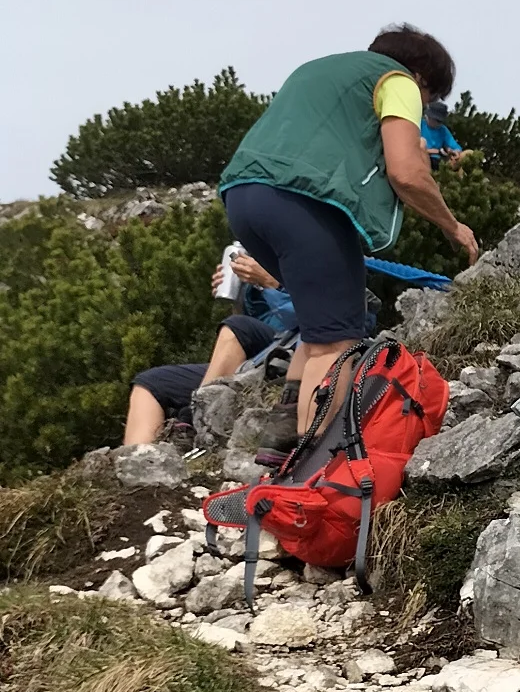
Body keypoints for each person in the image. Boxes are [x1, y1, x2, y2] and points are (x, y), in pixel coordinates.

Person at [218, 25, 479, 438]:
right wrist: (453, 226)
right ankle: (312, 465)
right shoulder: (397, 80)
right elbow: (407, 172)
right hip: (305, 202)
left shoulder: (316, 71)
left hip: (242, 197)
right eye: (430, 98)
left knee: (321, 316)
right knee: (336, 343)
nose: (425, 106)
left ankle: (285, 430)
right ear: (422, 79)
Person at [123, 251, 294, 446]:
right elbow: (248, 320)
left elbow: (316, 315)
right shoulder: (262, 256)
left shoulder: (304, 252)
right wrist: (236, 294)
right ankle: (138, 461)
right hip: (256, 357)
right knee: (150, 383)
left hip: (292, 346)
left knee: (239, 327)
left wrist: (271, 283)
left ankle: (196, 420)